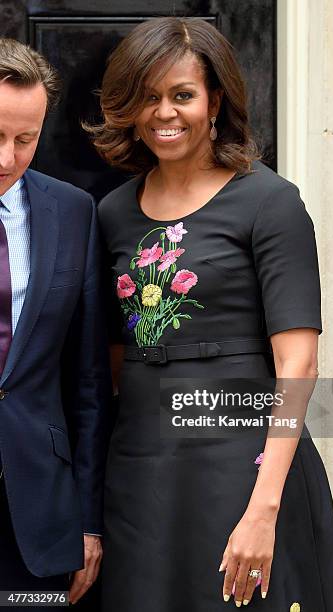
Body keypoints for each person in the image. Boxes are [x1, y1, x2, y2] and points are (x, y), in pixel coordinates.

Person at [90, 17, 333, 611]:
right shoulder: (110, 213)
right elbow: (111, 360)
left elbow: (299, 362)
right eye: (148, 97)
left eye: (182, 95)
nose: (165, 113)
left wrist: (265, 509)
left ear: (215, 102)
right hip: (140, 476)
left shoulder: (270, 201)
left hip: (244, 468)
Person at [0, 39, 111, 608]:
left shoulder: (73, 211)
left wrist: (88, 521)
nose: (6, 159)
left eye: (25, 139)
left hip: (40, 517)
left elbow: (88, 382)